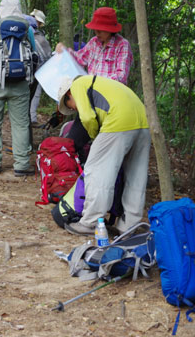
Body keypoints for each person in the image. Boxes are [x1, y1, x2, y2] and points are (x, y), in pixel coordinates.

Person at [57, 74, 150, 235]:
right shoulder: (102, 83)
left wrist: (95, 136)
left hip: (118, 120)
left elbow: (87, 117)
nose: (74, 109)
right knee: (136, 177)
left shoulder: (78, 84)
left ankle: (90, 222)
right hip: (144, 121)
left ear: (69, 94)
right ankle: (129, 225)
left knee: (97, 170)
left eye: (70, 106)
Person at [0, 0, 37, 176]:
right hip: (20, 82)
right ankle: (21, 165)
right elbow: (33, 52)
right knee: (20, 124)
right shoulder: (28, 29)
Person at [54, 7, 133, 84]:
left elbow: (121, 76)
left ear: (110, 29)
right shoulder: (93, 42)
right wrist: (64, 50)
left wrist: (96, 81)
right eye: (95, 29)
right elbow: (79, 58)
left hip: (111, 93)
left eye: (100, 30)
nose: (97, 33)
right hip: (92, 92)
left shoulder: (122, 45)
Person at [28, 9, 53, 126]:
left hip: (24, 68)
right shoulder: (38, 35)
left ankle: (26, 117)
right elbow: (47, 54)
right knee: (36, 92)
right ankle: (31, 117)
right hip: (37, 69)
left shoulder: (21, 31)